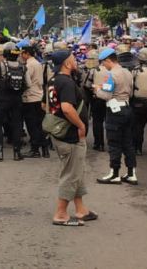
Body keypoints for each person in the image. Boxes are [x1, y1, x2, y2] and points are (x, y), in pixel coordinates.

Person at [47, 50, 96, 226]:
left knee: (76, 171)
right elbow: (67, 108)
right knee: (71, 174)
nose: (76, 61)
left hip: (60, 132)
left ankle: (81, 209)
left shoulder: (53, 80)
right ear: (67, 63)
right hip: (70, 135)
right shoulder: (66, 82)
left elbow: (45, 105)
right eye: (73, 59)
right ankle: (60, 213)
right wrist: (81, 125)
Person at [95, 48, 137, 185]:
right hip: (126, 107)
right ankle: (131, 173)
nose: (103, 66)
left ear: (108, 60)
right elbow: (130, 93)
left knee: (114, 143)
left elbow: (106, 95)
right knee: (128, 142)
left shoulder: (111, 75)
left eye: (103, 63)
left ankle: (115, 174)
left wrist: (97, 90)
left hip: (114, 111)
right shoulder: (127, 72)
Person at [0, 43, 25, 162]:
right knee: (17, 124)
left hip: (2, 100)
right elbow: (27, 83)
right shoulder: (23, 66)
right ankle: (17, 153)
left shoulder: (1, 65)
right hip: (17, 100)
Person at [20, 44, 49, 158]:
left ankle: (35, 149)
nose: (22, 55)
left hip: (30, 97)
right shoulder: (38, 63)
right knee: (40, 124)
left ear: (27, 53)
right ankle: (45, 149)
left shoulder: (29, 65)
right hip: (39, 96)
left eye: (23, 53)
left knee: (32, 125)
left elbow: (27, 81)